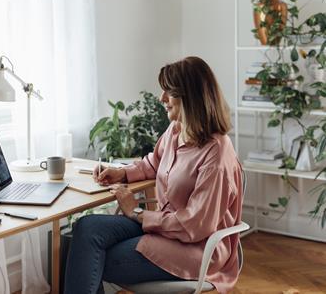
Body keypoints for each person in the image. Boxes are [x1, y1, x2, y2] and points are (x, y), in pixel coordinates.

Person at [63, 56, 243, 294]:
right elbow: (153, 163)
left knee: (93, 255)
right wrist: (121, 173)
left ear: (191, 97)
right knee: (87, 228)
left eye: (169, 92)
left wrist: (137, 212)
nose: (162, 98)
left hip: (195, 248)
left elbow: (194, 226)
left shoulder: (216, 154)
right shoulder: (176, 131)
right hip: (165, 228)